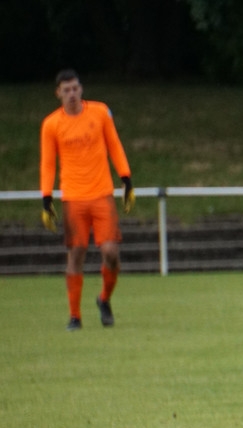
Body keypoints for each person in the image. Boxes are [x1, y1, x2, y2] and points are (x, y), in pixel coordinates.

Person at [40, 69, 136, 331]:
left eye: (75, 88)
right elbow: (48, 164)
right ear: (58, 93)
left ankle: (104, 299)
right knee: (76, 254)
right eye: (66, 90)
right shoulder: (51, 124)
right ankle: (75, 316)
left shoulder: (100, 112)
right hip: (73, 197)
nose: (72, 94)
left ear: (81, 89)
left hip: (102, 194)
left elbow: (114, 144)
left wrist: (126, 178)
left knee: (111, 253)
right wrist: (46, 198)